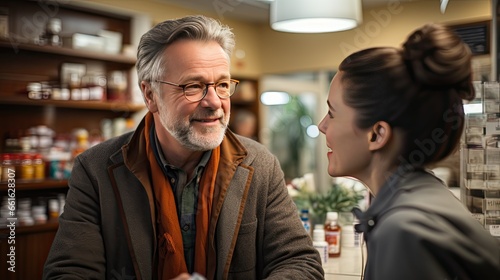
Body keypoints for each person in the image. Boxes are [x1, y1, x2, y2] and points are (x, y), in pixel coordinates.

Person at [43, 15, 323, 280]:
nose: (214, 101)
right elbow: (68, 273)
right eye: (193, 86)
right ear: (151, 95)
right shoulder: (95, 169)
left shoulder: (260, 164)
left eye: (222, 85)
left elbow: (299, 262)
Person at [318, 23, 500, 279]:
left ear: (377, 134)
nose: (322, 126)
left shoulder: (404, 230)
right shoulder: (419, 198)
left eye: (332, 113)